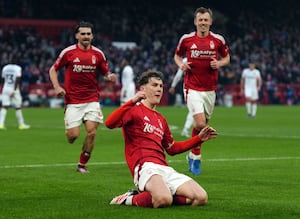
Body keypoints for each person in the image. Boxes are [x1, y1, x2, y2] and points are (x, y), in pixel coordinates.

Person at [106, 70, 217, 208]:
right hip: (145, 166)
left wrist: (198, 139)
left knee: (200, 197)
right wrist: (132, 101)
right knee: (163, 199)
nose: (159, 89)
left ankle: (160, 194)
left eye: (160, 86)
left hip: (164, 168)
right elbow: (109, 123)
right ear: (143, 89)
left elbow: (172, 148)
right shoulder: (133, 110)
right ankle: (128, 199)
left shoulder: (160, 119)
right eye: (154, 85)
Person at [49, 21, 117, 173]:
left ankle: (81, 165)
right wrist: (57, 86)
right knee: (73, 136)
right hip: (72, 101)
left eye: (88, 34)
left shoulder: (98, 54)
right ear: (76, 36)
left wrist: (109, 76)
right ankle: (69, 129)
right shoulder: (68, 52)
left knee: (92, 132)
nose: (86, 36)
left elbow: (104, 71)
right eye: (83, 34)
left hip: (92, 99)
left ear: (92, 36)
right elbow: (53, 70)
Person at [174, 7, 230, 175]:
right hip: (191, 86)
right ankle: (197, 157)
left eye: (206, 20)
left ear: (210, 22)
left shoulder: (218, 40)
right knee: (200, 124)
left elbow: (227, 58)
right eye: (200, 20)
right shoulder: (187, 39)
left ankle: (191, 154)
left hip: (210, 89)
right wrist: (181, 65)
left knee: (201, 128)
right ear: (195, 22)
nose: (203, 23)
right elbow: (177, 56)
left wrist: (219, 64)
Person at [0, 62, 30, 130]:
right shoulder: (17, 68)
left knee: (4, 107)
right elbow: (17, 79)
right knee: (18, 107)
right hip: (14, 89)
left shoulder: (5, 68)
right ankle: (21, 125)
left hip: (5, 88)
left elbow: (3, 79)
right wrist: (14, 90)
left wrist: (3, 88)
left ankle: (1, 124)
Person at [168, 58, 193, 138]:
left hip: (199, 88)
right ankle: (186, 129)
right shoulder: (186, 60)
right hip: (190, 87)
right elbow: (179, 74)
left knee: (198, 109)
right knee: (194, 109)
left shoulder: (200, 56)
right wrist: (173, 86)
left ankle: (193, 128)